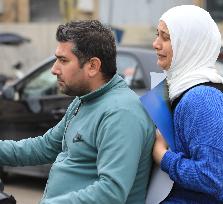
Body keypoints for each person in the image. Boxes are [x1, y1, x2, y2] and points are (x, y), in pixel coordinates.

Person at [0, 20, 155, 204]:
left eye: (63, 60)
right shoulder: (84, 99)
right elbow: (45, 146)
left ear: (92, 66)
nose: (54, 69)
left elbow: (111, 192)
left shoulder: (121, 112)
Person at [152, 5, 223, 203]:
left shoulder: (201, 99)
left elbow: (212, 177)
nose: (155, 44)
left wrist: (162, 157)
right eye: (157, 35)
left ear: (188, 44)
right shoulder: (185, 89)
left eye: (166, 37)